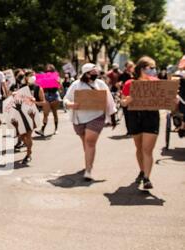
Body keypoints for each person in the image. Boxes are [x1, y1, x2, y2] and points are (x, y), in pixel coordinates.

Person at [63, 63, 117, 181]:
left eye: (96, 72)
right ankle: (88, 161)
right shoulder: (76, 85)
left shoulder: (101, 84)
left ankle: (88, 170)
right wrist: (69, 104)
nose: (95, 74)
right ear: (86, 74)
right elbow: (66, 99)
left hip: (97, 117)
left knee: (90, 142)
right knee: (85, 142)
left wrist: (112, 117)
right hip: (79, 118)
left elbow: (109, 101)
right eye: (93, 72)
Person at [120, 56, 160, 190]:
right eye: (151, 68)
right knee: (139, 148)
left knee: (147, 149)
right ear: (142, 69)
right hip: (135, 116)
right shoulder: (129, 83)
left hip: (151, 116)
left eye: (154, 68)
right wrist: (129, 99)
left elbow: (164, 99)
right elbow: (123, 102)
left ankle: (147, 178)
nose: (153, 71)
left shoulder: (156, 82)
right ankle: (142, 170)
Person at [12, 71, 46, 164]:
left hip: (32, 114)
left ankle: (28, 154)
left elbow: (43, 102)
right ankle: (28, 148)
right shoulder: (22, 87)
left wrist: (35, 102)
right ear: (26, 78)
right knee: (22, 135)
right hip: (22, 113)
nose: (32, 77)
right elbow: (17, 99)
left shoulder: (38, 88)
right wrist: (14, 95)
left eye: (33, 75)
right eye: (30, 76)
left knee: (28, 135)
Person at [36, 64, 61, 136]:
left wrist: (57, 82)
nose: (48, 72)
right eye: (47, 70)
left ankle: (56, 129)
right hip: (46, 95)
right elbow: (39, 86)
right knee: (45, 114)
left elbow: (60, 87)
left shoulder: (56, 77)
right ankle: (42, 130)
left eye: (50, 70)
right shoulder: (43, 77)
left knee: (54, 113)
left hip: (54, 95)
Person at [119, 61, 135, 135]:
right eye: (129, 66)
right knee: (127, 113)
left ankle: (134, 129)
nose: (131, 68)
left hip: (135, 95)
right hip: (126, 94)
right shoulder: (123, 74)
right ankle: (129, 130)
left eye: (132, 66)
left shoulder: (136, 74)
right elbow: (118, 83)